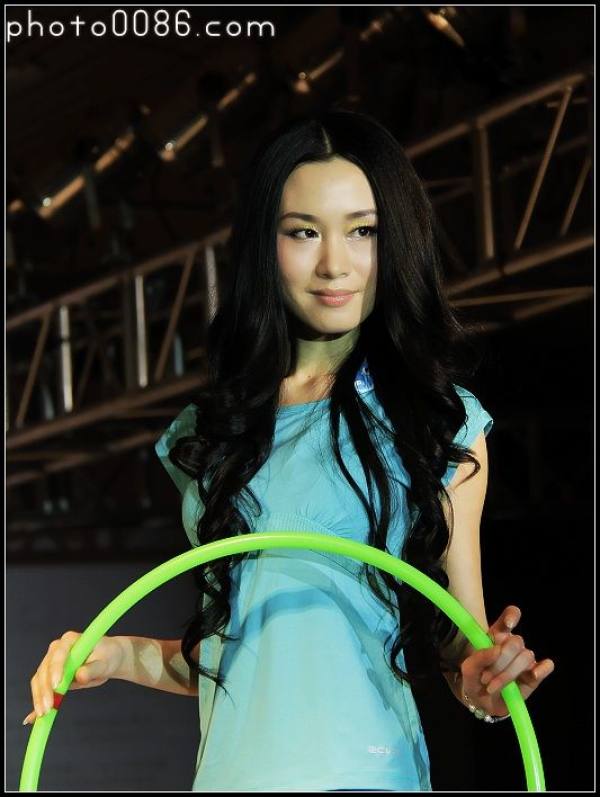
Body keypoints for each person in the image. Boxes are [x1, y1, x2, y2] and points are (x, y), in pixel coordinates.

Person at [24, 110, 555, 792]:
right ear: (264, 244)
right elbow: (242, 653)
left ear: (395, 240)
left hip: (365, 775)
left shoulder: (435, 422)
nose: (335, 263)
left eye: (362, 231)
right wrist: (118, 654)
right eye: (304, 232)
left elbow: (463, 643)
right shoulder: (212, 435)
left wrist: (486, 681)